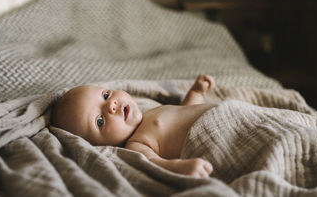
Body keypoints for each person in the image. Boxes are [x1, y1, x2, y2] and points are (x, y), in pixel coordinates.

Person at [51, 75, 217, 178]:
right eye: (99, 121)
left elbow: (185, 112)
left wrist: (196, 93)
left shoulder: (150, 111)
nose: (111, 105)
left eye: (106, 95)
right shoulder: (136, 144)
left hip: (225, 112)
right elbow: (155, 164)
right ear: (101, 145)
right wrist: (181, 168)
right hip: (215, 135)